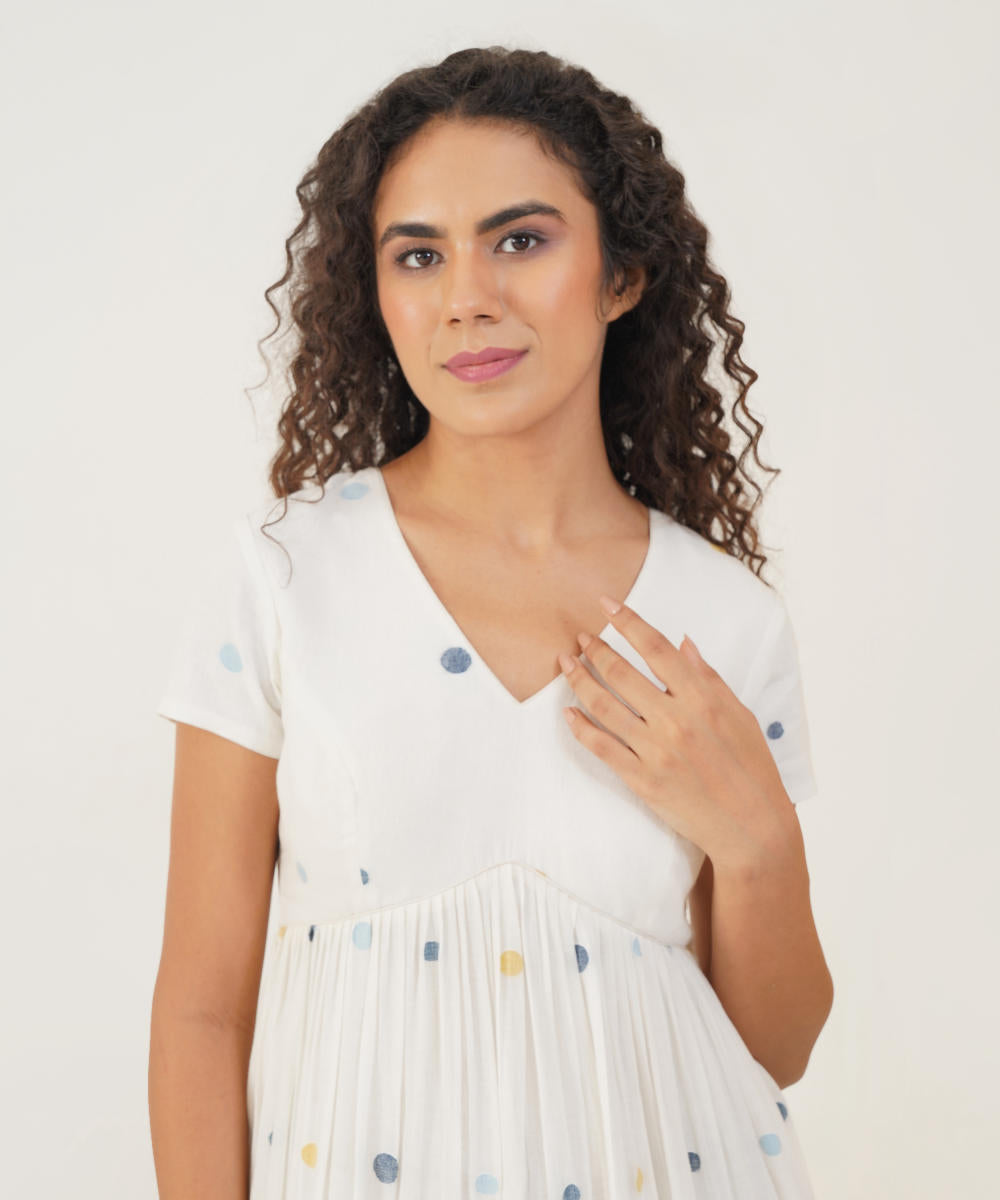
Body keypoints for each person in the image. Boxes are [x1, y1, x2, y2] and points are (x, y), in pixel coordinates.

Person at [149, 45, 834, 1200]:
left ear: (622, 274)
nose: (467, 295)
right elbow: (202, 1012)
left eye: (520, 240)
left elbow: (771, 1050)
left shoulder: (724, 619)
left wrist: (758, 844)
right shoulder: (286, 579)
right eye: (418, 255)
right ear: (375, 294)